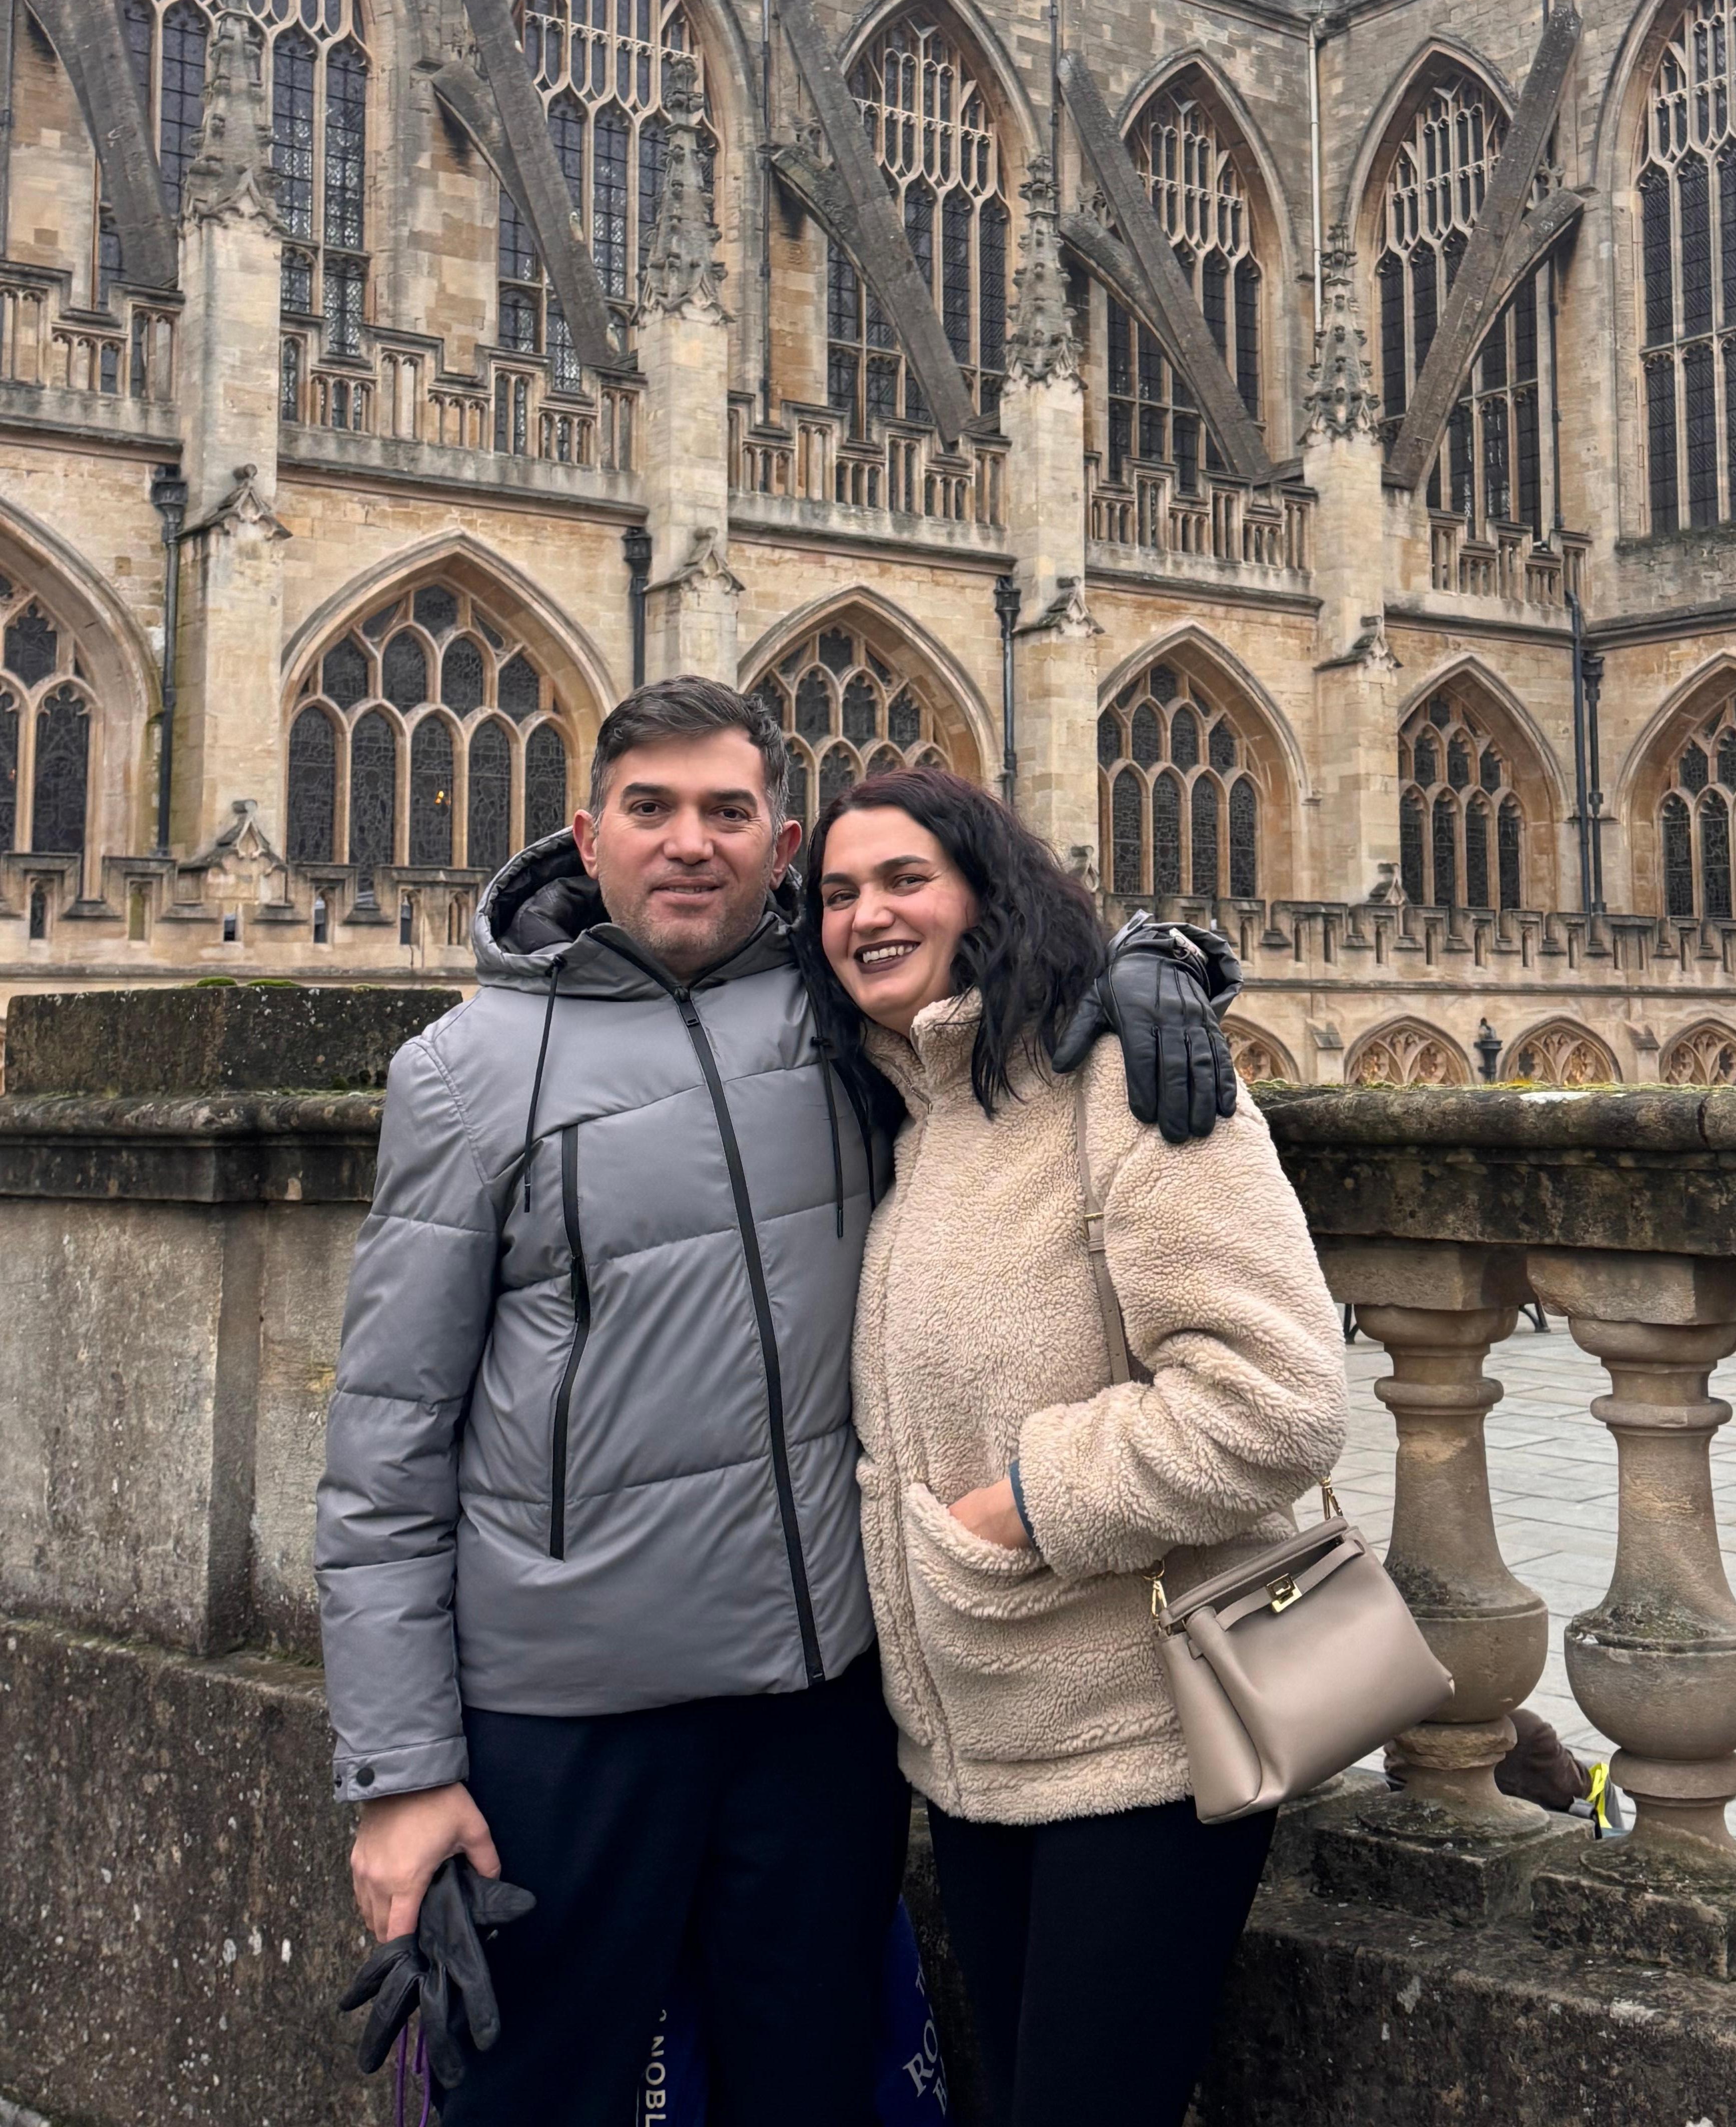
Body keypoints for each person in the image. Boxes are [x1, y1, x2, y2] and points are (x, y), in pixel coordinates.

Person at [315, 677, 1239, 2126]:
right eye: (654, 809)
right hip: (568, 1708)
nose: (691, 843)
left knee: (809, 2090)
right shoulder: (462, 1073)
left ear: (779, 843)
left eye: (727, 813)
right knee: (537, 2096)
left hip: (819, 1708)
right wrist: (398, 1772)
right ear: (585, 832)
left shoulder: (843, 1021)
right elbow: (384, 1442)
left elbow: (994, 978)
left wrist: (1152, 965)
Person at [805, 766, 1350, 2127]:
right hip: (978, 1750)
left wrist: (1021, 1512)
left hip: (1145, 1738)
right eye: (834, 892)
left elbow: (1274, 1399)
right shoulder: (902, 1109)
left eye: (903, 881)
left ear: (988, 894)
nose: (865, 914)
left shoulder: (1126, 1076)